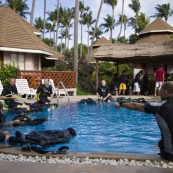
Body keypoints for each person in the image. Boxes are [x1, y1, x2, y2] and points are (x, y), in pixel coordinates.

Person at [114, 81, 173, 161]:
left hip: (170, 155)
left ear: (166, 92)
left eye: (161, 92)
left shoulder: (159, 106)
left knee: (161, 142)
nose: (160, 94)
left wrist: (121, 103)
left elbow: (135, 106)